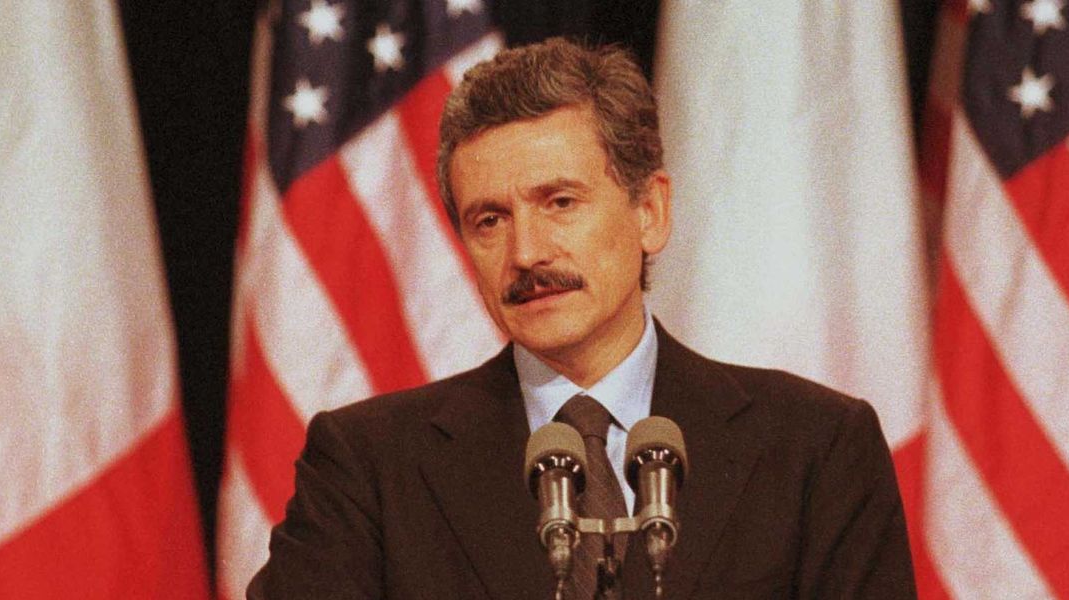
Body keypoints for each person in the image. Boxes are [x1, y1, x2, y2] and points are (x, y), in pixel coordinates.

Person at [248, 37, 915, 599]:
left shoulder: (815, 450)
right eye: (490, 220)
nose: (527, 253)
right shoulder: (369, 467)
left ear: (649, 212)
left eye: (560, 202)